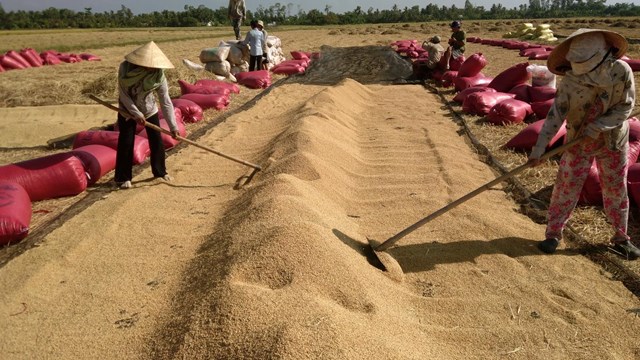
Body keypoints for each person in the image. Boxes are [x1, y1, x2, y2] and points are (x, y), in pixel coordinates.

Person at [527, 28, 639, 259]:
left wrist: (599, 126)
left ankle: (620, 238)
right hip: (577, 142)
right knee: (566, 186)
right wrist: (539, 148)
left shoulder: (621, 71)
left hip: (613, 141)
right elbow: (555, 115)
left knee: (616, 190)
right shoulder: (570, 80)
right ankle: (553, 234)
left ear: (604, 55)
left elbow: (626, 106)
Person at [115, 41, 179, 189]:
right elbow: (123, 95)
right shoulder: (125, 69)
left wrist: (173, 126)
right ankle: (122, 178)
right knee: (126, 142)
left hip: (149, 109)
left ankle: (160, 172)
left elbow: (166, 101)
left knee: (157, 140)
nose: (152, 68)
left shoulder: (158, 75)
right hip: (127, 110)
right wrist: (135, 113)